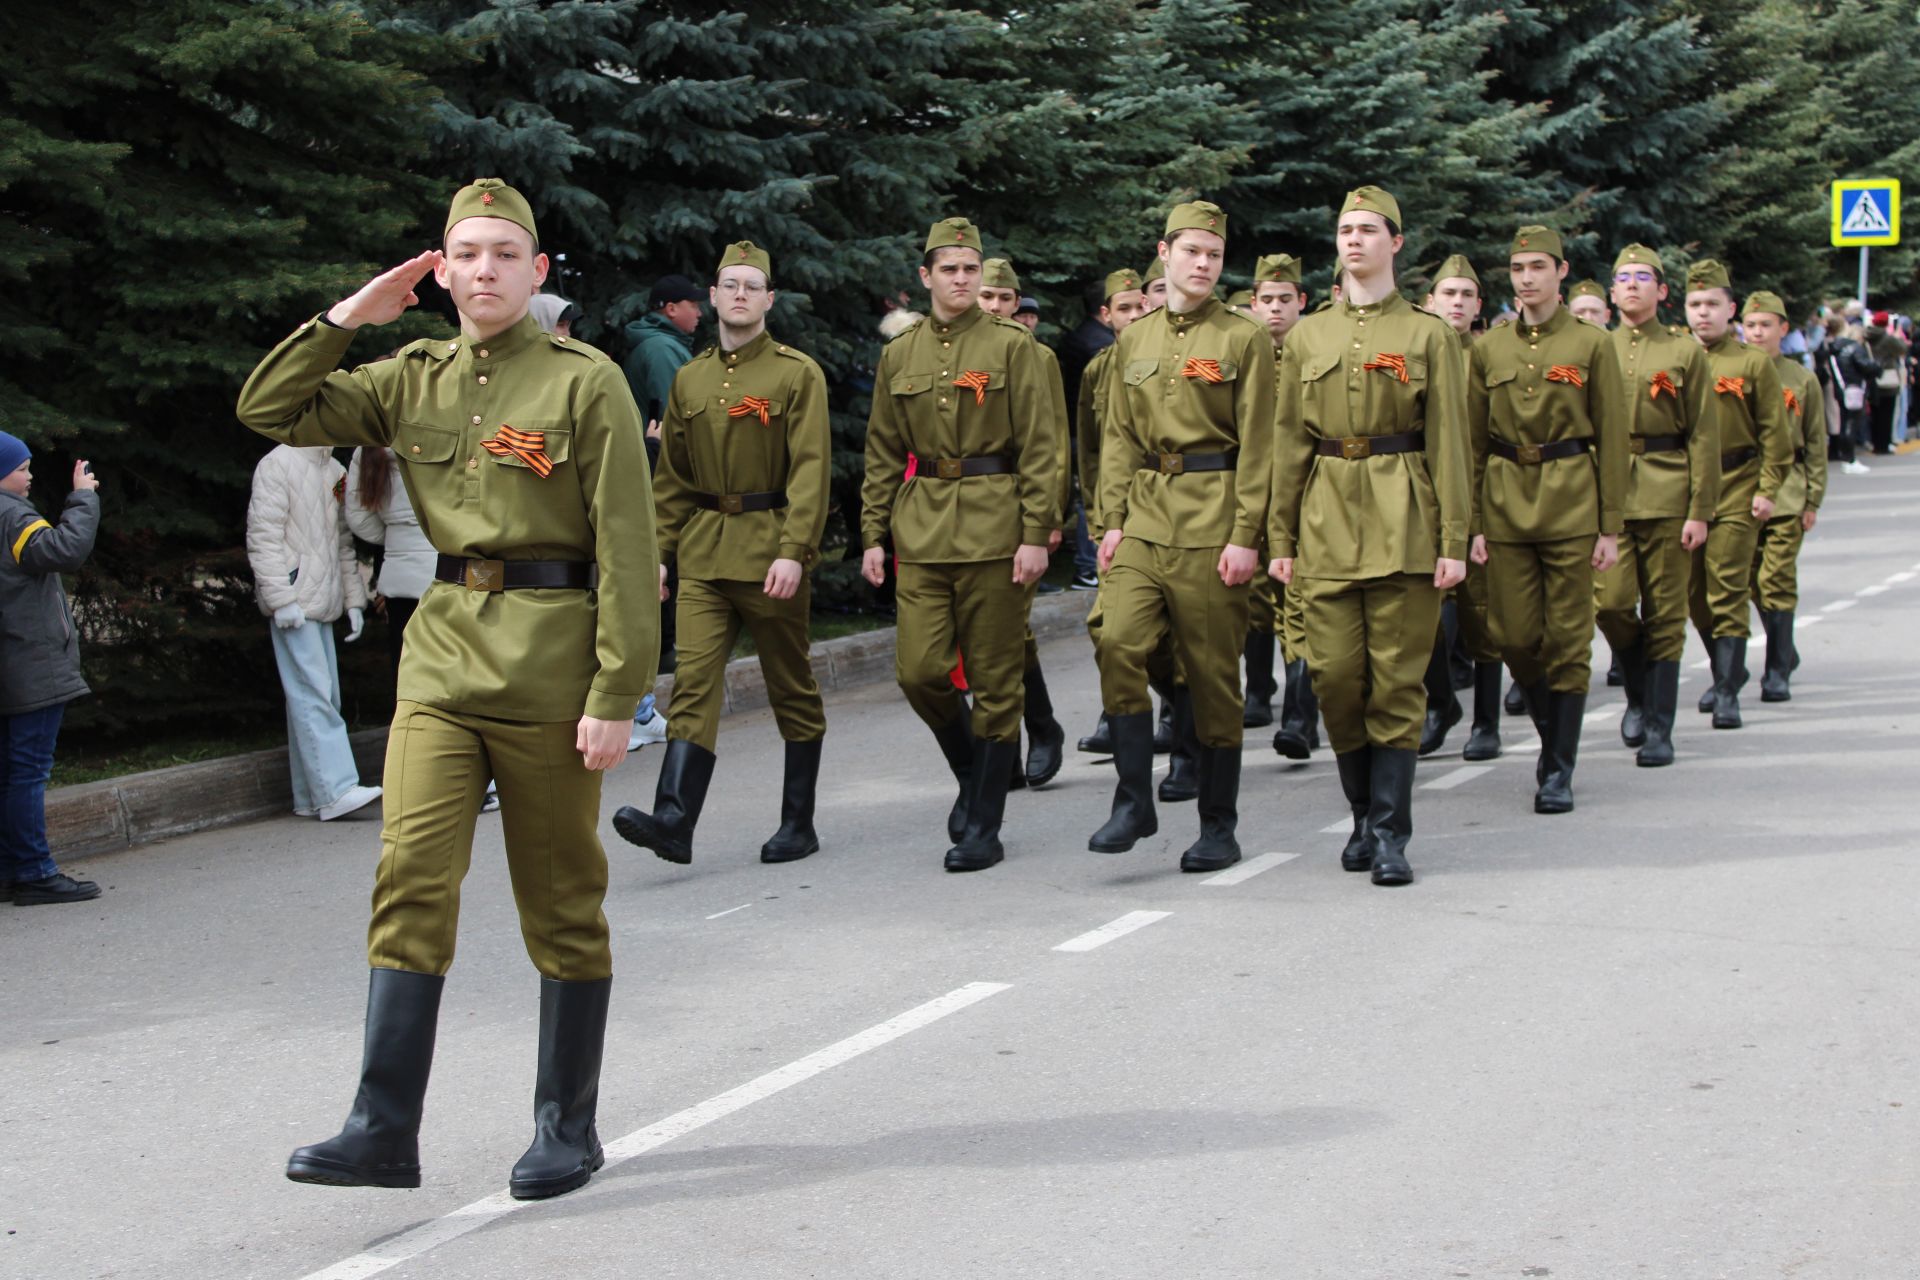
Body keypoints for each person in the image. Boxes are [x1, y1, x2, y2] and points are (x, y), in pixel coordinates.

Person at [237, 178, 658, 1200]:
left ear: (537, 270)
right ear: (439, 268)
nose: (484, 270)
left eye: (505, 253)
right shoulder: (408, 375)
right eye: (466, 252)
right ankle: (381, 1125)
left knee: (561, 902)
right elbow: (269, 406)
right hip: (442, 657)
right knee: (410, 881)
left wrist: (617, 691)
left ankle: (567, 1123)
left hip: (554, 666)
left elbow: (628, 544)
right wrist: (346, 317)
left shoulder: (583, 379)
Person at [1270, 185, 1468, 885]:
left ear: (1396, 243)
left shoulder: (1429, 335)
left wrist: (1453, 539)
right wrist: (1281, 538)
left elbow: (1449, 445)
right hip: (1325, 518)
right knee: (1335, 681)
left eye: (1369, 230)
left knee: (1396, 684)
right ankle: (1360, 811)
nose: (1354, 240)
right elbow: (1288, 442)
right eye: (1345, 230)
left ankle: (1389, 833)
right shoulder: (1307, 337)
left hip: (1404, 518)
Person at [612, 241, 831, 865]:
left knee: (791, 686)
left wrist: (796, 550)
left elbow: (812, 469)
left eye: (751, 285)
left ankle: (799, 821)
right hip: (705, 554)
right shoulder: (692, 377)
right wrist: (658, 552)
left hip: (770, 553)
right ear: (711, 297)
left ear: (768, 299)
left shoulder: (796, 373)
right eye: (728, 284)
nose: (739, 294)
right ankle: (674, 824)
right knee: (692, 685)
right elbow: (674, 478)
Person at [860, 216, 1057, 872]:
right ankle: (975, 771)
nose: (963, 279)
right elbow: (885, 451)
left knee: (998, 682)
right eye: (949, 269)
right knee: (918, 671)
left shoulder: (1012, 347)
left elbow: (1041, 446)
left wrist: (1036, 533)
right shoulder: (901, 355)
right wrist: (873, 535)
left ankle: (985, 826)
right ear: (926, 277)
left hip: (997, 529)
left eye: (972, 268)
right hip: (921, 530)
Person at [1092, 199, 1272, 873]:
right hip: (1144, 514)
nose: (1202, 264)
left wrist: (1247, 532)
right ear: (1164, 254)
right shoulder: (1133, 341)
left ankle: (1218, 826)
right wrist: (1109, 522)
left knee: (1213, 675)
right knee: (1116, 638)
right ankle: (1134, 799)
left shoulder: (1243, 338)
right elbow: (1118, 438)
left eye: (1214, 255)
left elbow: (1259, 445)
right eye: (1191, 251)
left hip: (1214, 516)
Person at [1467, 226, 1626, 814]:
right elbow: (1475, 441)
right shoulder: (1491, 348)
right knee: (1510, 634)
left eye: (1538, 267)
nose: (1527, 278)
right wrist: (1475, 521)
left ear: (1561, 272)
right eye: (1517, 268)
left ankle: (1558, 766)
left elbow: (1611, 437)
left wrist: (1611, 527)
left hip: (1572, 501)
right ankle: (1551, 732)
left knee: (1568, 640)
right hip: (1507, 501)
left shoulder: (1592, 344)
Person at [1592, 244, 1717, 767]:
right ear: (1612, 290)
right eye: (1623, 278)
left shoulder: (1685, 351)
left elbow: (1705, 434)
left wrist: (1700, 509)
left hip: (1668, 488)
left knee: (1667, 613)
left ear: (1662, 291)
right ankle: (1639, 694)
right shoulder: (1596, 347)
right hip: (1610, 495)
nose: (1633, 285)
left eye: (1644, 277)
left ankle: (1660, 727)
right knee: (1612, 604)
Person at [246, 442, 381, 822]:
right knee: (313, 692)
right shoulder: (276, 464)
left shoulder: (334, 469)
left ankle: (309, 795)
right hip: (294, 596)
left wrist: (354, 600)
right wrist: (280, 597)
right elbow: (263, 536)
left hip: (321, 597)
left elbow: (342, 541)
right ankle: (335, 789)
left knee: (318, 693)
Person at [1684, 259, 1792, 730]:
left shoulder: (1751, 363)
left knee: (1727, 585)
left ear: (1731, 309)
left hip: (1736, 485)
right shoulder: (1676, 358)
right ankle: (1724, 666)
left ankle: (1728, 690)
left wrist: (1768, 490)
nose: (1703, 313)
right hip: (1684, 491)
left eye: (1713, 304)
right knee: (1692, 594)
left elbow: (1776, 434)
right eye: (1695, 304)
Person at [978, 258, 1070, 788]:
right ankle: (1030, 728)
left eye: (1005, 299)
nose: (994, 307)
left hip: (1021, 505)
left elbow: (1053, 440)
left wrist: (1048, 517)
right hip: (969, 510)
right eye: (987, 296)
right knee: (998, 629)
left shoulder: (1039, 357)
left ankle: (1031, 731)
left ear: (1019, 306)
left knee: (1009, 624)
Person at [0, 432, 103, 906]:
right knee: (27, 773)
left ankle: (10, 869)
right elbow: (62, 551)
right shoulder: (11, 515)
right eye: (22, 468)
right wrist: (82, 498)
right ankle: (35, 872)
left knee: (10, 772)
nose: (29, 475)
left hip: (11, 662)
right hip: (30, 662)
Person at [1418, 254, 1501, 761]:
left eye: (1467, 296)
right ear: (1430, 302)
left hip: (1480, 502)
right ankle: (1441, 704)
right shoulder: (1417, 349)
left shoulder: (1489, 357)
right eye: (1448, 294)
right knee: (1424, 617)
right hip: (1422, 503)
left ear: (1478, 307)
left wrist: (1484, 520)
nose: (1457, 303)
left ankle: (1486, 723)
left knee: (1482, 618)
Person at [623, 273, 704, 739]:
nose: (699, 313)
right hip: (663, 468)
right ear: (670, 307)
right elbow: (682, 411)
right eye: (693, 305)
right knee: (665, 563)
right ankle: (666, 651)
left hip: (658, 464)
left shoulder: (660, 343)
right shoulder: (659, 349)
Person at [1072, 267, 1149, 755]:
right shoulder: (1098, 369)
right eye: (1125, 308)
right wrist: (1099, 520)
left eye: (1142, 305)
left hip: (1176, 508)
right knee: (1110, 625)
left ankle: (1183, 737)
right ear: (1106, 316)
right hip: (1117, 517)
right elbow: (1093, 451)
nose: (1135, 314)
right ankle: (1116, 715)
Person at [1739, 291, 1827, 702]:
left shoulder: (1801, 378)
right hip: (1739, 488)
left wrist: (1812, 500)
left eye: (1766, 325)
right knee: (1747, 580)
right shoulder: (1729, 369)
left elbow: (1814, 442)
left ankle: (1776, 671)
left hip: (1788, 493)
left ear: (1783, 329)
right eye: (1751, 325)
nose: (1757, 332)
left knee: (1775, 578)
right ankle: (1784, 648)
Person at [1242, 252, 1309, 733]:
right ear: (1254, 302)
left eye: (1285, 299)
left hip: (1304, 495)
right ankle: (1258, 690)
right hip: (1251, 493)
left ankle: (1300, 716)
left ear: (1301, 302)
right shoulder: (1245, 353)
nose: (1276, 309)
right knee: (1254, 598)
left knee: (1299, 602)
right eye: (1267, 299)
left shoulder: (1315, 350)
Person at [1865, 309, 1907, 455]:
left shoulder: (1867, 336)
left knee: (1875, 413)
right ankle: (1884, 444)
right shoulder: (1888, 338)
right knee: (1887, 413)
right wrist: (1898, 336)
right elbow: (1903, 348)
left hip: (1872, 377)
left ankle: (1875, 443)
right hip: (1887, 377)